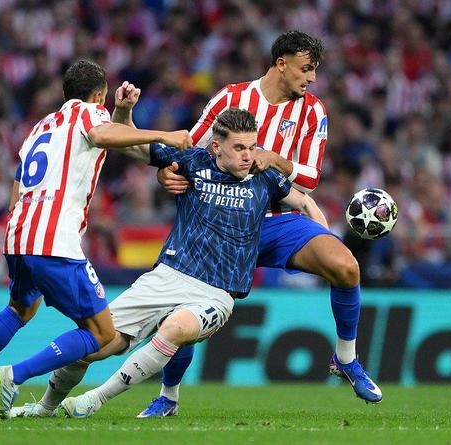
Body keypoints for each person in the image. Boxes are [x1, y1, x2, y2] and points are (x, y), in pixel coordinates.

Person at [10, 107, 327, 419]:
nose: (248, 156)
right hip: (167, 276)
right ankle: (44, 408)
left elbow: (304, 202)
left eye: (252, 147)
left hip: (216, 293)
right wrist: (124, 110)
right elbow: (133, 145)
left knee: (175, 328)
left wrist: (326, 242)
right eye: (239, 148)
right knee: (94, 342)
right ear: (216, 147)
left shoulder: (265, 177)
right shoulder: (192, 161)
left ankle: (95, 399)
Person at [143, 30, 382, 415]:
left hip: (280, 220)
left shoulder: (313, 111)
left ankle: (346, 359)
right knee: (185, 314)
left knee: (345, 266)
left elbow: (310, 179)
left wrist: (276, 160)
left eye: (315, 70)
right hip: (223, 221)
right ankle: (168, 396)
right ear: (281, 64)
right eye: (306, 69)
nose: (312, 78)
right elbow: (191, 151)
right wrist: (165, 172)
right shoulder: (231, 98)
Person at [0, 59, 192, 419]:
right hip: (54, 239)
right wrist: (164, 135)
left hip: (18, 234)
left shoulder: (41, 127)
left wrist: (122, 113)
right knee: (102, 333)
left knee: (19, 309)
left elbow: (17, 186)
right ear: (99, 95)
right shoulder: (89, 113)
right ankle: (14, 376)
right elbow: (102, 135)